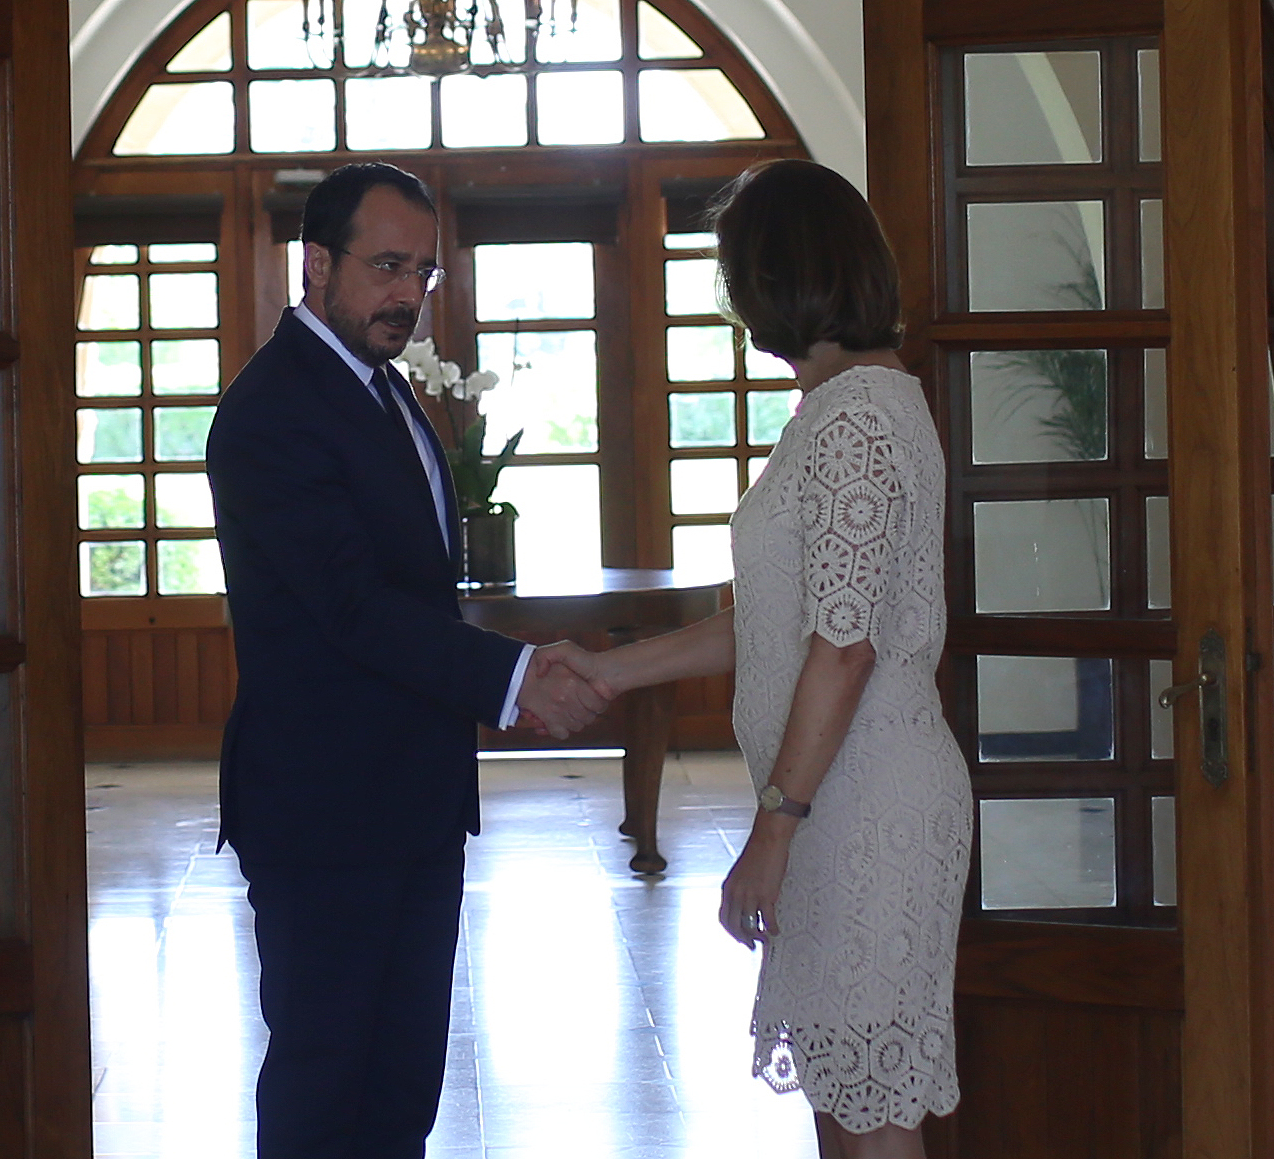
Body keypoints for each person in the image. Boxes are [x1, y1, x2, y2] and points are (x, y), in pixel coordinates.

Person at [545, 159, 971, 1158]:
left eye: (734, 270)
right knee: (842, 1094)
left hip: (862, 804)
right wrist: (610, 671)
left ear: (778, 275)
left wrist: (773, 828)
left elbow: (843, 648)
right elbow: (775, 618)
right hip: (836, 795)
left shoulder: (856, 419)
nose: (732, 295)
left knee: (871, 1117)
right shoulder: (842, 407)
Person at [204, 161, 607, 1159]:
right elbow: (351, 606)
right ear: (316, 264)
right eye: (385, 266)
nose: (406, 294)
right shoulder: (272, 409)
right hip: (323, 812)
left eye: (421, 272)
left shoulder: (382, 390)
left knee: (399, 1088)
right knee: (323, 1087)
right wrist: (514, 676)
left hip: (413, 802)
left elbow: (413, 591)